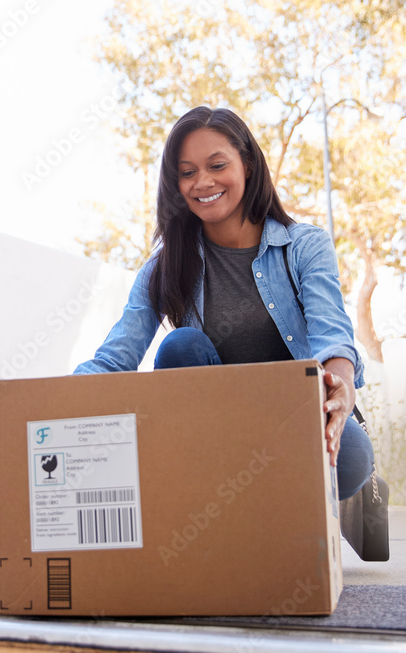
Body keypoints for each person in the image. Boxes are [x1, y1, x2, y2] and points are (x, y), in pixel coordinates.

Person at [73, 106, 373, 500]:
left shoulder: (303, 246)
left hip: (291, 414)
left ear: (247, 165)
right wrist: (52, 404)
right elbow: (117, 357)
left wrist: (341, 390)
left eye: (217, 165)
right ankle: (238, 504)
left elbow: (330, 334)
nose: (203, 181)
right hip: (215, 426)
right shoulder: (165, 266)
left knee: (351, 458)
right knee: (181, 347)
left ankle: (323, 503)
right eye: (187, 172)